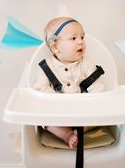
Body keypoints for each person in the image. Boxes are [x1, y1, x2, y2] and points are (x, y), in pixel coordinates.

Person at [33, 17, 105, 149]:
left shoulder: (87, 63)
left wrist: (93, 102)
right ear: (55, 47)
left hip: (84, 112)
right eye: (74, 38)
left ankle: (80, 131)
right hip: (57, 113)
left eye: (82, 37)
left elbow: (98, 88)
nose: (81, 42)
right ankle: (66, 135)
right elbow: (40, 88)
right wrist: (58, 101)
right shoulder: (46, 67)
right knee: (44, 120)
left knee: (101, 116)